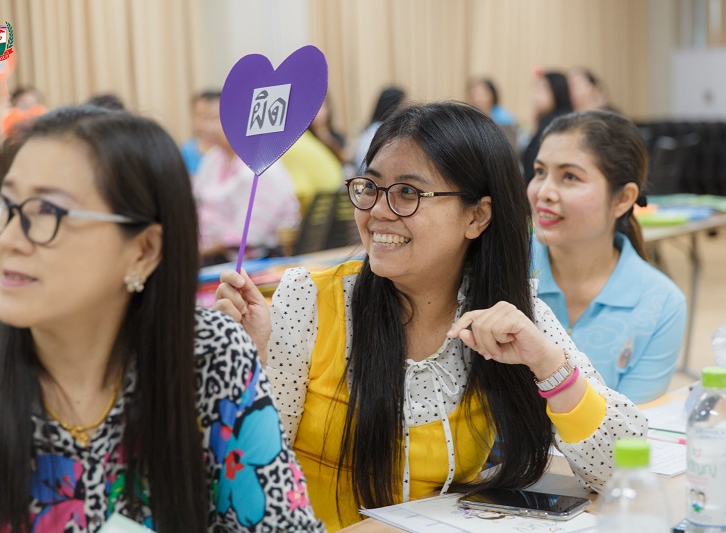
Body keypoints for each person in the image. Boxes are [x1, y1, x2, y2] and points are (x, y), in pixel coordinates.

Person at [214, 102, 648, 530]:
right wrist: (247, 366)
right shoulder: (310, 298)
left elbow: (622, 467)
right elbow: (250, 480)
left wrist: (549, 365)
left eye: (408, 192)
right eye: (370, 186)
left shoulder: (511, 315)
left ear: (477, 216)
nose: (378, 211)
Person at [0, 106, 323, 532]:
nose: (7, 239)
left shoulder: (209, 354)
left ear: (144, 249)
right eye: (5, 206)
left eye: (44, 212)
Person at [528, 110, 686, 404]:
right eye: (540, 172)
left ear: (623, 198)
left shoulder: (661, 303)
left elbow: (631, 424)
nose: (543, 192)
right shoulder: (503, 264)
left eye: (570, 176)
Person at [194, 92, 300, 265]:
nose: (207, 127)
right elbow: (197, 203)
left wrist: (198, 253)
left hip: (250, 261)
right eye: (205, 119)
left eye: (216, 119)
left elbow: (248, 235)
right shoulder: (212, 159)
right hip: (211, 255)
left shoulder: (262, 165)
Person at [521, 71, 573, 183]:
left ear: (557, 91)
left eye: (542, 89)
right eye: (535, 89)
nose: (535, 96)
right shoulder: (548, 119)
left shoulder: (560, 122)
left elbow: (533, 163)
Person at [352, 86, 406, 174]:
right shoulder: (382, 133)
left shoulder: (371, 129)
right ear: (392, 107)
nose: (406, 112)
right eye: (403, 107)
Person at [179, 90, 219, 176]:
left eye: (215, 118)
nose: (208, 126)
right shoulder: (185, 152)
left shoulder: (230, 153)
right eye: (203, 117)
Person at [308, 96, 348, 163]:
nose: (318, 113)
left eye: (322, 107)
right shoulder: (306, 139)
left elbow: (344, 158)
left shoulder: (337, 137)